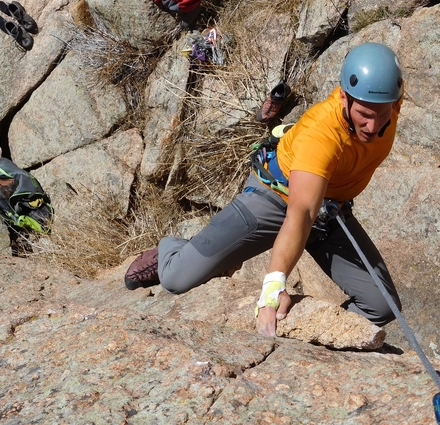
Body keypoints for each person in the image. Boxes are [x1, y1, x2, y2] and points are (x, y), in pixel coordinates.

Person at [124, 42, 404, 337]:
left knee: (382, 306)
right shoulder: (320, 135)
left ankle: (310, 340)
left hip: (327, 208)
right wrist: (274, 286)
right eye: (363, 114)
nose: (372, 126)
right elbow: (301, 212)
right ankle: (171, 248)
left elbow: (311, 211)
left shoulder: (388, 99)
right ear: (344, 97)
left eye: (381, 114)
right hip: (275, 197)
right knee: (177, 279)